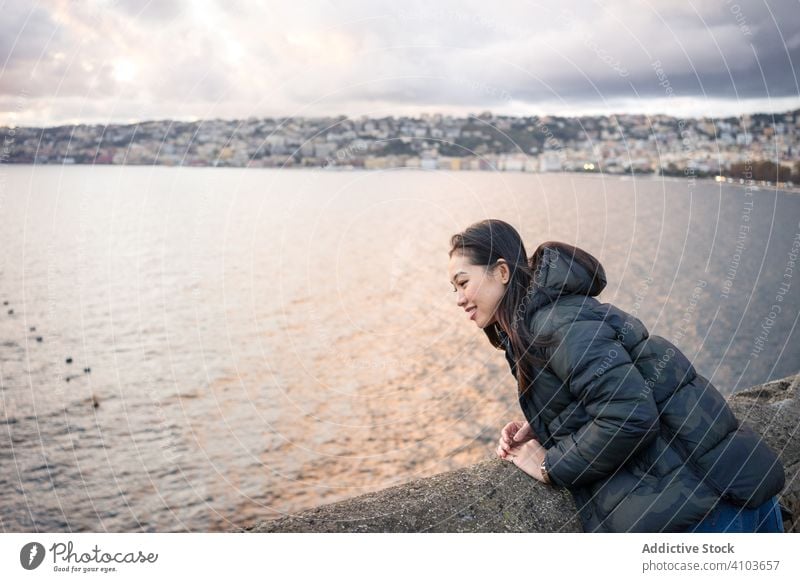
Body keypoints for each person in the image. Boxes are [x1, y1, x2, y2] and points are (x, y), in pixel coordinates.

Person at [447, 219, 786, 533]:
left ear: (502, 271)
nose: (459, 299)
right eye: (454, 288)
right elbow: (627, 383)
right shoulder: (549, 317)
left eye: (464, 283)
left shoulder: (555, 324)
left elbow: (629, 416)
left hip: (709, 511)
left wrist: (549, 465)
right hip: (721, 493)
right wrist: (546, 422)